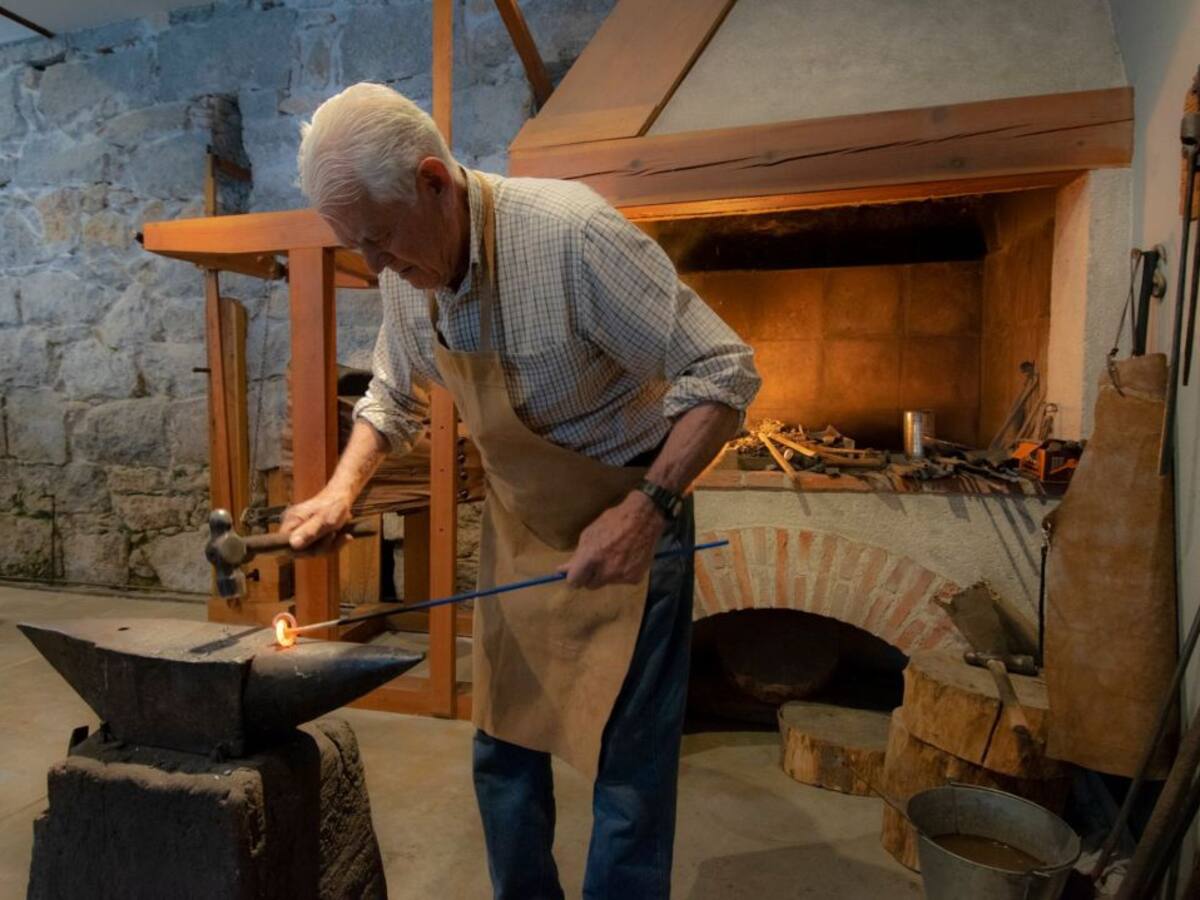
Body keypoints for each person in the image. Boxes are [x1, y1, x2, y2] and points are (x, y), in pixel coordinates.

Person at [285, 82, 760, 899]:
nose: (378, 267)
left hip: (631, 519)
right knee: (502, 755)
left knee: (629, 777)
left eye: (381, 239)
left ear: (434, 182)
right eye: (357, 247)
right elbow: (391, 397)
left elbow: (725, 371)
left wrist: (648, 512)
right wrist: (341, 492)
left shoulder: (571, 237)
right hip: (519, 529)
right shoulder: (408, 270)